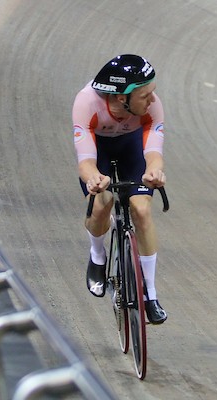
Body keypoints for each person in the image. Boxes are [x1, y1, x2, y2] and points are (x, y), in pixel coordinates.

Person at [73, 54, 167, 324]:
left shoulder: (151, 105)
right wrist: (93, 179)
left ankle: (150, 293)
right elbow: (86, 161)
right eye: (144, 96)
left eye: (152, 93)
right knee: (102, 203)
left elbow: (153, 152)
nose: (152, 100)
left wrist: (154, 171)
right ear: (119, 97)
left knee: (141, 209)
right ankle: (97, 256)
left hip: (131, 145)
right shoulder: (86, 102)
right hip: (98, 149)